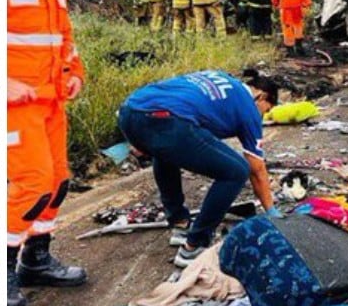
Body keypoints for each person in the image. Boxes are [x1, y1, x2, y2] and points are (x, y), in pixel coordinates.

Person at [7, 0, 89, 306]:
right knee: (33, 183)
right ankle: (4, 273)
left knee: (58, 180)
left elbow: (64, 38)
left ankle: (35, 260)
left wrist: (75, 73)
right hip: (17, 106)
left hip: (52, 102)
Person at [117, 69, 279, 267]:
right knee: (236, 171)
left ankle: (179, 224)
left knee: (166, 151)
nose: (263, 115)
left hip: (129, 111)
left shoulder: (220, 77)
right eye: (267, 109)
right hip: (167, 120)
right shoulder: (249, 109)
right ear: (260, 96)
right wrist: (271, 211)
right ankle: (194, 247)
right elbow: (257, 170)